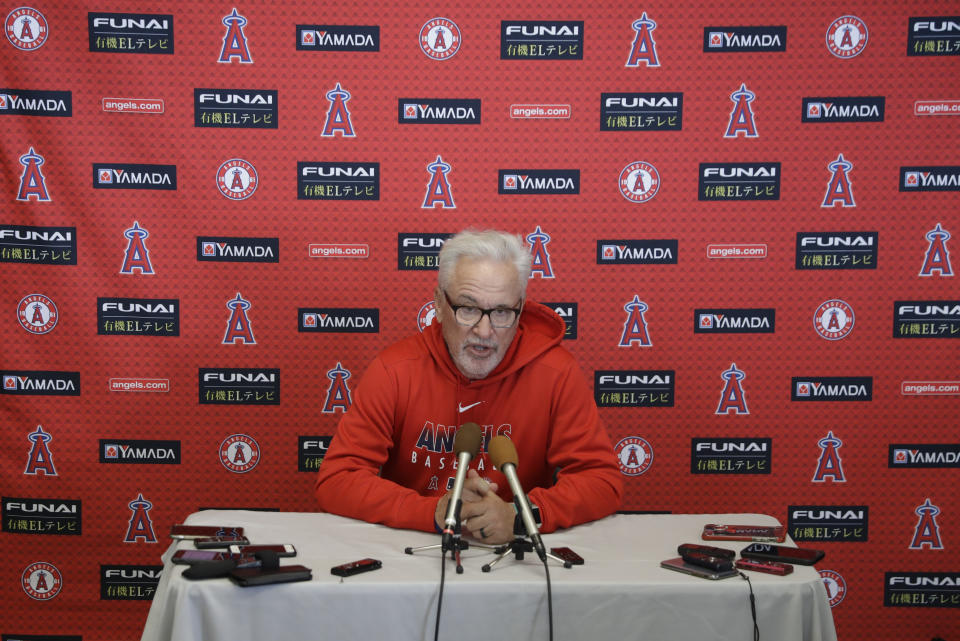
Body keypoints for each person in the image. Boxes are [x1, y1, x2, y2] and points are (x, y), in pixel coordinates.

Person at [314, 229, 623, 544]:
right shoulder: (394, 370)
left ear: (520, 307)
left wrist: (523, 514)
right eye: (469, 309)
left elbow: (602, 481)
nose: (485, 331)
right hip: (419, 551)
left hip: (516, 552)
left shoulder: (556, 372)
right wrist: (432, 512)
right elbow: (337, 481)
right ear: (439, 303)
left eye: (502, 311)